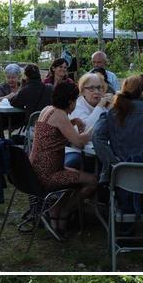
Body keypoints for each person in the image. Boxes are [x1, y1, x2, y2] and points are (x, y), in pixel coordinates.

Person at [29, 81, 97, 235]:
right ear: (70, 101)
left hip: (35, 170)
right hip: (48, 175)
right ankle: (63, 211)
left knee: (77, 177)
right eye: (76, 100)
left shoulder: (49, 109)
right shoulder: (60, 115)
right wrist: (94, 127)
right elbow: (79, 142)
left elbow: (54, 128)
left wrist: (72, 121)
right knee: (92, 181)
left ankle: (55, 211)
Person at [64, 72, 109, 169]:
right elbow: (85, 130)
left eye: (99, 87)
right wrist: (100, 106)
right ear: (82, 91)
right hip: (77, 151)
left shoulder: (107, 105)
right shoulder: (78, 106)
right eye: (91, 88)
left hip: (100, 150)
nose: (96, 91)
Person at [0, 63, 24, 141]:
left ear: (19, 77)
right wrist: (8, 96)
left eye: (13, 77)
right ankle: (1, 146)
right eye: (8, 77)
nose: (10, 80)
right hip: (2, 116)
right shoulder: (2, 86)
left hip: (18, 116)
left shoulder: (23, 86)